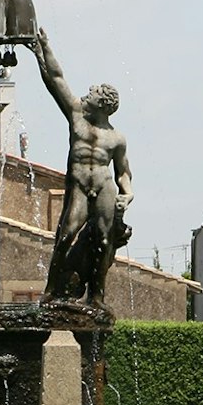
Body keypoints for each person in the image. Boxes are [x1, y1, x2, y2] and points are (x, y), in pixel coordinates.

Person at [29, 27, 133, 305]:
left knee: (102, 241)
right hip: (79, 184)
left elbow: (123, 173)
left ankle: (96, 295)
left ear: (104, 103)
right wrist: (43, 49)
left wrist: (127, 195)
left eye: (95, 91)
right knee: (66, 234)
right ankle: (51, 290)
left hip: (104, 187)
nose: (88, 92)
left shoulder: (116, 138)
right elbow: (56, 79)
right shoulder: (77, 116)